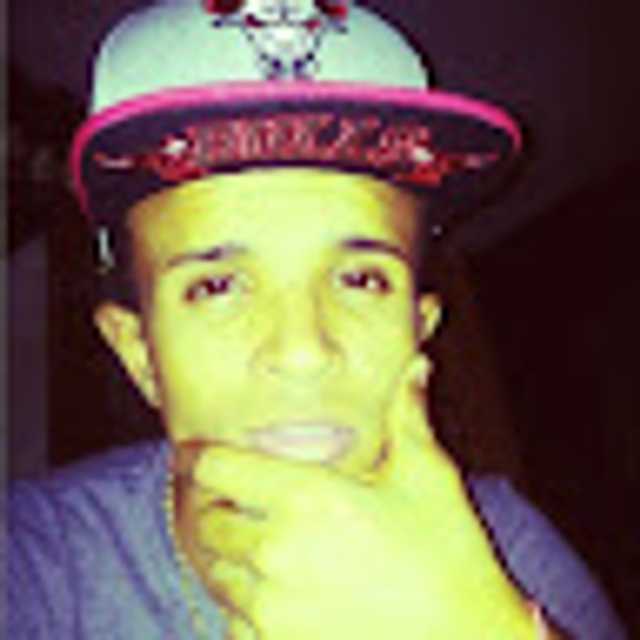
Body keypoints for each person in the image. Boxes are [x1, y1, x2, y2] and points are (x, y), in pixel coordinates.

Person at [8, 1, 627, 638]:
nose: (303, 351)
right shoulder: (32, 559)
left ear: (418, 332)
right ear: (140, 355)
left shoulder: (507, 544)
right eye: (217, 286)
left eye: (361, 280)